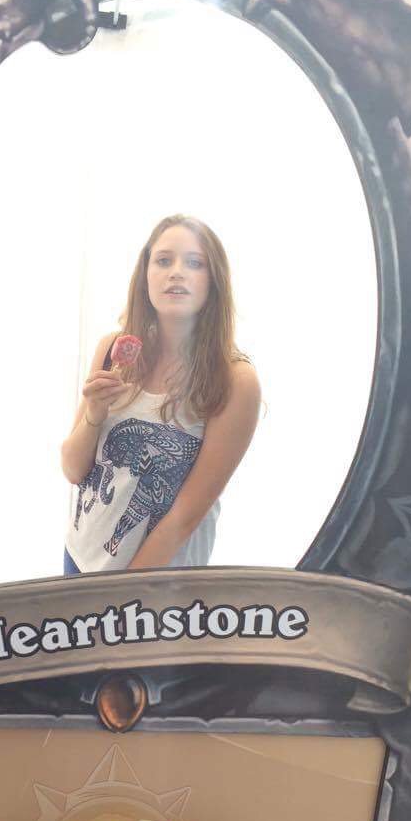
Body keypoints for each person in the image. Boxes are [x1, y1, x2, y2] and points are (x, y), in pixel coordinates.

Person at [61, 214, 260, 574]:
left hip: (159, 586)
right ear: (146, 274)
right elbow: (73, 469)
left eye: (194, 263)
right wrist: (94, 412)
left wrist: (122, 594)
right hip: (80, 560)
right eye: (164, 260)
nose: (177, 272)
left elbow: (186, 516)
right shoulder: (112, 350)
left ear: (213, 279)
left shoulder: (235, 380)